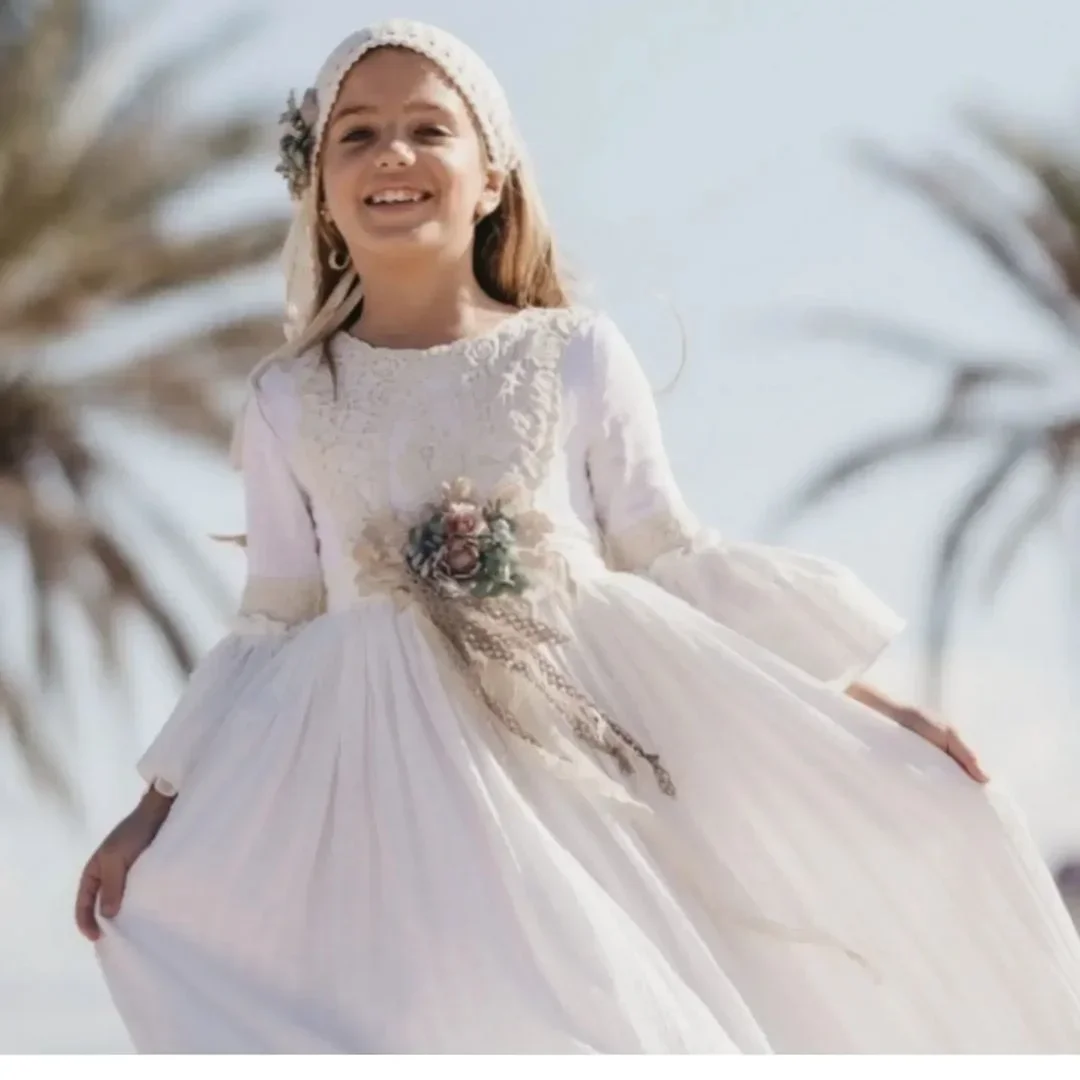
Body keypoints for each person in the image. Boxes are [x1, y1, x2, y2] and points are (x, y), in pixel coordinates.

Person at [78, 20, 1080, 1054]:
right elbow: (272, 620)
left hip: (570, 753)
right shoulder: (289, 397)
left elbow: (671, 555)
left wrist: (865, 703)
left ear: (493, 178)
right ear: (320, 188)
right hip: (379, 786)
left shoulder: (574, 354)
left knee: (611, 1019)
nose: (395, 154)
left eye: (430, 129)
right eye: (359, 134)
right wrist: (153, 814)